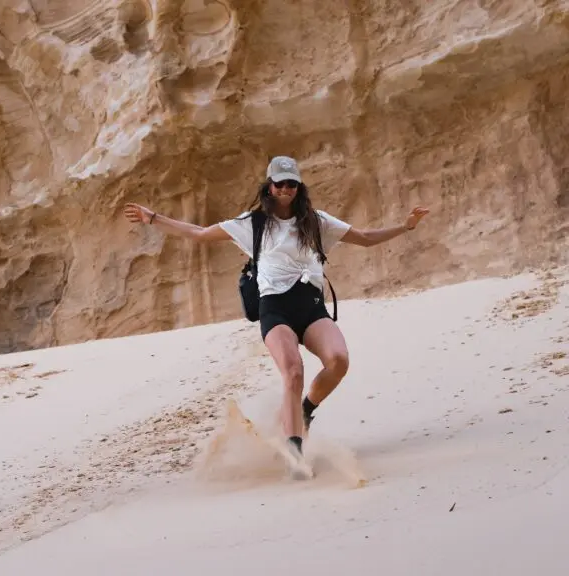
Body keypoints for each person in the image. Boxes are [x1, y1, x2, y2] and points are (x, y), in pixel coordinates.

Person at [123, 155, 430, 467]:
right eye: (280, 183)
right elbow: (201, 234)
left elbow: (364, 238)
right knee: (293, 371)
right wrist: (154, 218)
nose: (286, 189)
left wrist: (406, 226)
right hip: (275, 309)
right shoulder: (252, 224)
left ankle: (307, 409)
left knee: (339, 361)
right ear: (269, 187)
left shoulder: (316, 221)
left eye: (292, 184)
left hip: (310, 306)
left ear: (299, 187)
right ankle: (295, 452)